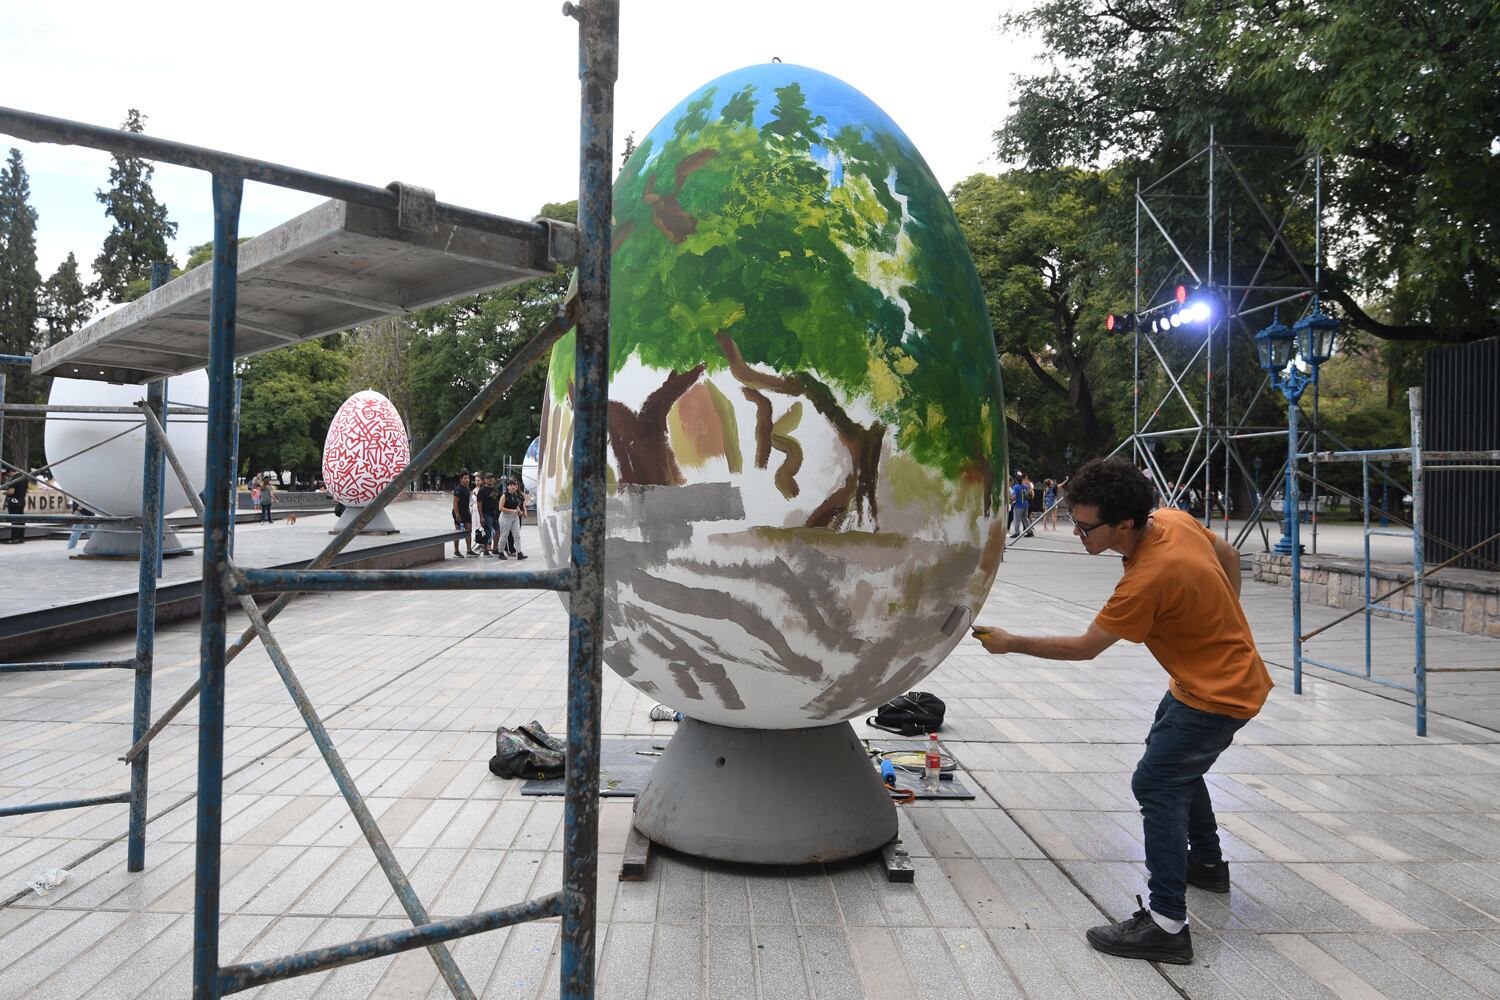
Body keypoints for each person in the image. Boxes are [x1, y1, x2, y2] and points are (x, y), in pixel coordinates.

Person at [971, 456, 1271, 966]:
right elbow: (1228, 554)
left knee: (1156, 782)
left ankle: (1166, 924)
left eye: (1085, 527)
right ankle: (1206, 865)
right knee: (1175, 767)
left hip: (1216, 698)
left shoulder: (1147, 578)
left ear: (1124, 525)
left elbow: (1086, 647)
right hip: (1208, 682)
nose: (1076, 534)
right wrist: (1224, 622)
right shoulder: (1172, 520)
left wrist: (1011, 642)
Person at [497, 478, 528, 560]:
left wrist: (519, 511)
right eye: (511, 485)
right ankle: (501, 552)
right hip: (505, 517)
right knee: (504, 535)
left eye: (514, 485)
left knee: (517, 535)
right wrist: (511, 511)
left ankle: (519, 553)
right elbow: (500, 508)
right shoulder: (504, 496)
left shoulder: (516, 496)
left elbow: (516, 506)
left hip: (515, 517)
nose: (513, 487)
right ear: (507, 487)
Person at [452, 470, 477, 557]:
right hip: (458, 512)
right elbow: (455, 502)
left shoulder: (467, 488)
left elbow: (467, 502)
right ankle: (456, 551)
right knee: (458, 532)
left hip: (466, 512)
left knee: (468, 531)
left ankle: (469, 550)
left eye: (468, 478)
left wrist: (469, 512)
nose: (467, 480)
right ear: (460, 480)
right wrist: (457, 514)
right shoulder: (458, 489)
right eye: (465, 478)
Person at [477, 472, 502, 556]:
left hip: (495, 515)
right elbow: (479, 503)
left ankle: (494, 549)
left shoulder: (495, 489)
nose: (490, 480)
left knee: (498, 531)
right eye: (488, 478)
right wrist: (481, 516)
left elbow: (500, 499)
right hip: (486, 514)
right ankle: (485, 550)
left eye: (492, 478)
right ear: (484, 480)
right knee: (487, 533)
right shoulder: (482, 490)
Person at [3, 475, 27, 544]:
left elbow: (11, 491)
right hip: (22, 501)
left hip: (14, 501)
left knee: (14, 520)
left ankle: (14, 538)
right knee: (21, 519)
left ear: (10, 472)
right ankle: (21, 537)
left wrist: (5, 492)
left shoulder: (14, 479)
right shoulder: (24, 478)